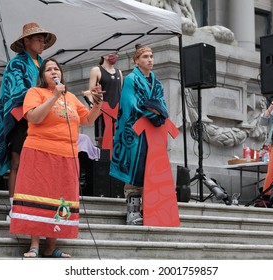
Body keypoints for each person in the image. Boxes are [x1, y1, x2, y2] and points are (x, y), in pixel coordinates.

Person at [9, 58, 103, 258]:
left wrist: (97, 104)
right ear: (42, 75)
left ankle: (51, 246)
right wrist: (53, 96)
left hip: (67, 155)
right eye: (48, 69)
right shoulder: (35, 93)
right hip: (39, 152)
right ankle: (34, 245)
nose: (53, 71)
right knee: (37, 195)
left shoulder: (70, 97)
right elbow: (34, 117)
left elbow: (87, 119)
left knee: (61, 199)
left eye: (56, 68)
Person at [0, 23, 56, 218]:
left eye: (44, 40)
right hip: (21, 118)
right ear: (26, 41)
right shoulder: (16, 63)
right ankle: (14, 207)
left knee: (39, 164)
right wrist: (42, 98)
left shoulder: (45, 64)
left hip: (43, 119)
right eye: (38, 39)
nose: (42, 43)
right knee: (17, 162)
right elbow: (15, 92)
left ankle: (35, 204)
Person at [109, 45, 169, 225]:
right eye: (145, 56)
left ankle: (150, 210)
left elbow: (162, 105)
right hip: (134, 130)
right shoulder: (130, 79)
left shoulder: (157, 82)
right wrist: (153, 112)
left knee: (151, 169)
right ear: (136, 60)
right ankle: (133, 212)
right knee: (135, 169)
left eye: (151, 56)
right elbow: (131, 105)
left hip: (153, 132)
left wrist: (158, 113)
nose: (149, 59)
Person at [88, 52, 123, 156]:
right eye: (111, 52)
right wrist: (92, 104)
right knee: (102, 138)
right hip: (102, 110)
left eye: (115, 53)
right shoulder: (96, 70)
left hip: (116, 110)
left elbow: (120, 91)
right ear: (103, 54)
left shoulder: (119, 72)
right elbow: (91, 91)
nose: (113, 55)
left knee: (117, 138)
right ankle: (103, 163)